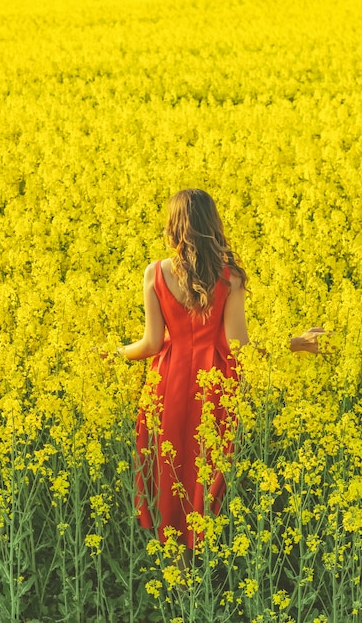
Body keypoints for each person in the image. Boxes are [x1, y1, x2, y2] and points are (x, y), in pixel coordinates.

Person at [117, 188, 325, 550]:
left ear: (173, 226)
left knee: (170, 468)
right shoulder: (230, 278)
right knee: (204, 469)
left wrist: (115, 353)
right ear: (213, 225)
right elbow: (238, 347)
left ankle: (173, 566)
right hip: (214, 384)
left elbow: (150, 344)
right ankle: (199, 562)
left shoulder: (154, 274)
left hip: (167, 381)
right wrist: (295, 342)